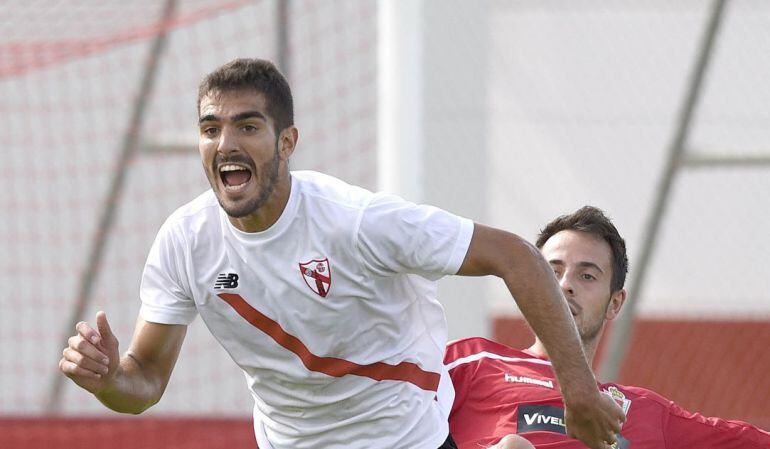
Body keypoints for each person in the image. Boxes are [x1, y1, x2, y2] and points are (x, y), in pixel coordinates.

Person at [59, 58, 624, 449]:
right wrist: (109, 379)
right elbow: (145, 382)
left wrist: (579, 392)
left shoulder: (358, 222)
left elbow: (517, 255)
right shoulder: (185, 241)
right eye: (211, 129)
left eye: (247, 126)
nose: (226, 143)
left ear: (287, 142)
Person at [445, 206, 770, 449]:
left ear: (615, 303)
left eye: (587, 275)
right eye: (551, 272)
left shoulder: (645, 412)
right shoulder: (472, 362)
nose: (565, 286)